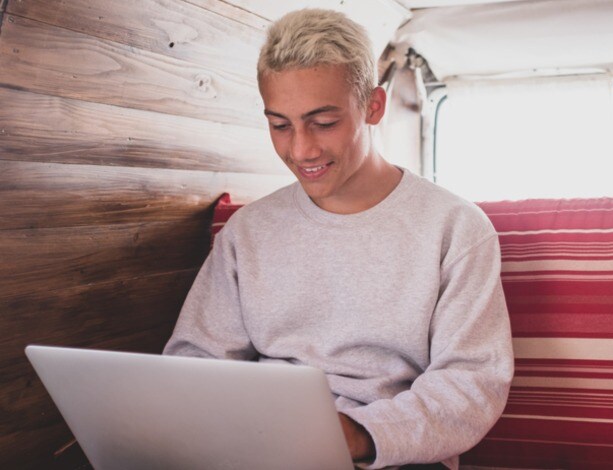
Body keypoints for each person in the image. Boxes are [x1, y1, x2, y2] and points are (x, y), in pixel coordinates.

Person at [163, 8, 513, 469]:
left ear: (373, 106)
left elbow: (472, 383)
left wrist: (360, 435)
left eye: (323, 122)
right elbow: (196, 360)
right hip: (265, 447)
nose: (301, 150)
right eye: (280, 125)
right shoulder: (248, 230)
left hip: (394, 454)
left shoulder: (456, 227)